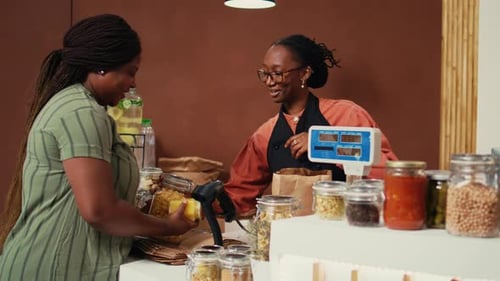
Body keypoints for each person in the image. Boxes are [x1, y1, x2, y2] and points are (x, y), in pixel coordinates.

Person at [0, 14, 197, 281]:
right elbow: (99, 211)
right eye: (130, 71)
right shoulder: (82, 112)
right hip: (51, 268)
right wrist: (165, 226)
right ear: (102, 67)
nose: (133, 83)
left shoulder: (76, 106)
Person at [223, 34, 398, 216]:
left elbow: (389, 173)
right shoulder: (264, 135)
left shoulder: (346, 114)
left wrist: (322, 143)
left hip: (348, 229)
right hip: (290, 237)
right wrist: (198, 200)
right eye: (265, 74)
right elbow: (237, 196)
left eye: (277, 73)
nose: (269, 81)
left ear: (304, 73)